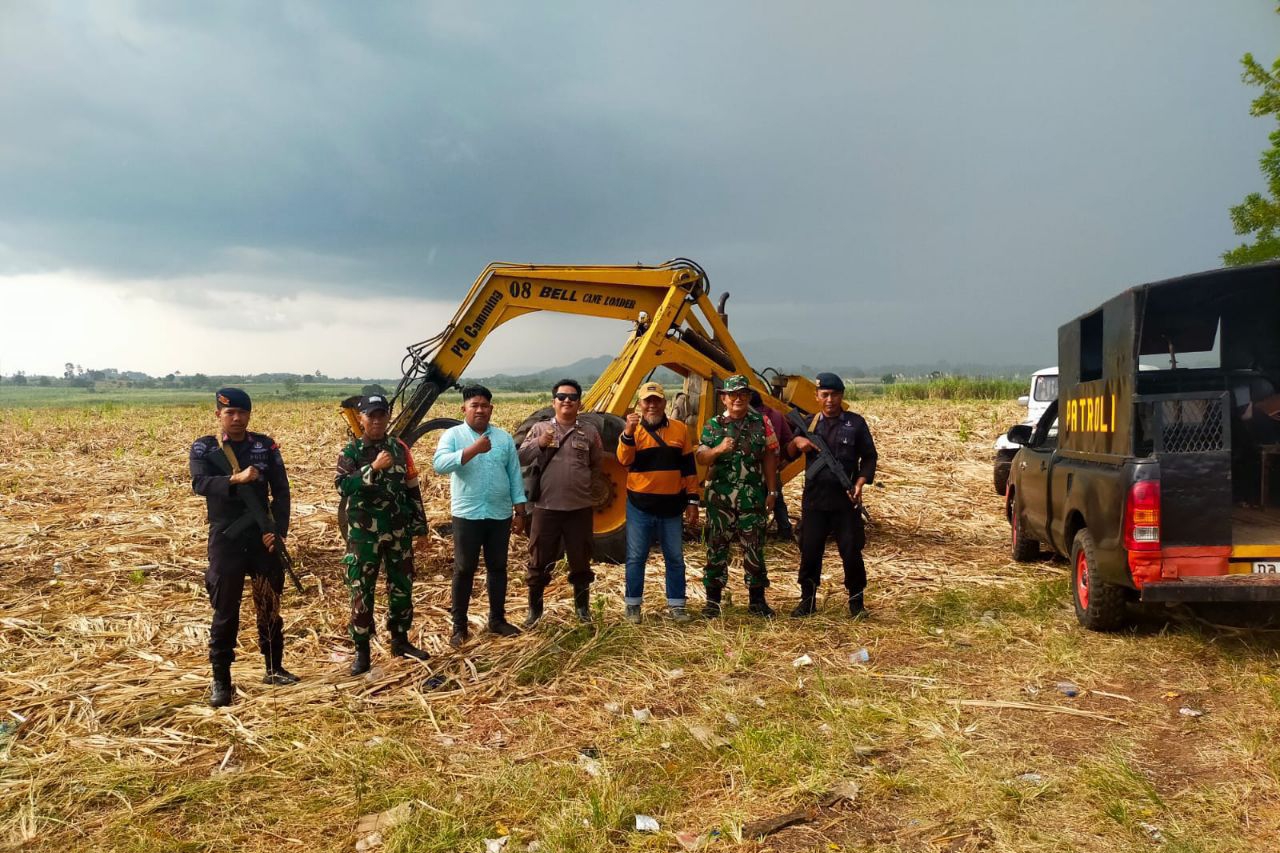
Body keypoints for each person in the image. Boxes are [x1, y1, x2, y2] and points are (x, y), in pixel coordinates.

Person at [189, 388, 297, 707]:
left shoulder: (265, 446)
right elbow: (199, 483)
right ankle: (221, 680)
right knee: (226, 609)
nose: (236, 419)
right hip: (226, 537)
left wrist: (277, 532)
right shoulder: (205, 447)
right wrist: (234, 480)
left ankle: (274, 668)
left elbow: (282, 492)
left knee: (269, 604)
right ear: (218, 415)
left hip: (261, 536)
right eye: (230, 413)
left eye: (242, 413)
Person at [335, 394, 430, 675]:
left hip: (398, 530)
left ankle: (400, 641)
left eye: (381, 415)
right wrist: (373, 468)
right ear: (361, 418)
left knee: (402, 586)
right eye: (371, 415)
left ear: (388, 417)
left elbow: (412, 487)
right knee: (361, 590)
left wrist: (421, 527)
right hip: (364, 536)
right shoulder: (351, 451)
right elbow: (342, 486)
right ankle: (362, 651)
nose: (377, 421)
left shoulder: (400, 448)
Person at [432, 385, 528, 647]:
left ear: (491, 409)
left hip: (499, 514)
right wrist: (473, 449)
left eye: (485, 405)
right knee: (464, 569)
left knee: (498, 567)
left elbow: (514, 475)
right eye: (474, 405)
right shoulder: (453, 435)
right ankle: (459, 627)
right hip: (467, 514)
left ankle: (497, 620)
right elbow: (439, 465)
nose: (480, 410)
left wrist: (520, 510)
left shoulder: (504, 438)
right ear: (463, 408)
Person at [785, 373, 878, 618]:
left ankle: (856, 603)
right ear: (816, 397)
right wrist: (798, 441)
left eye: (834, 395)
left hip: (845, 501)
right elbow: (788, 452)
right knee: (810, 551)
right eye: (824, 395)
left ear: (841, 396)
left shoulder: (855, 424)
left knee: (851, 551)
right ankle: (807, 601)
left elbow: (869, 457)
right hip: (815, 500)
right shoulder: (808, 424)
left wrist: (860, 482)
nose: (830, 400)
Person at [518, 379, 603, 625]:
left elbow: (596, 464)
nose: (567, 401)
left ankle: (582, 610)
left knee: (581, 560)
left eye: (572, 397)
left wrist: (583, 485)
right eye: (562, 397)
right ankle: (534, 612)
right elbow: (521, 457)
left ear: (580, 403)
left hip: (579, 509)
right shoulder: (540, 429)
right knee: (538, 560)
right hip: (546, 508)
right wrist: (539, 443)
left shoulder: (589, 432)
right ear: (553, 402)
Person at [695, 375, 780, 618]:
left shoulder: (762, 423)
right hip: (720, 500)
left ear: (749, 397)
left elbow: (770, 457)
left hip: (752, 497)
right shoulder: (713, 425)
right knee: (716, 548)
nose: (737, 399)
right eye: (732, 395)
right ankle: (713, 602)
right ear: (724, 398)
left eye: (742, 394)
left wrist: (772, 491)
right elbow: (701, 457)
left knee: (754, 548)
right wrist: (718, 449)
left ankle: (757, 601)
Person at [616, 381, 699, 624]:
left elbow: (689, 468)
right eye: (647, 401)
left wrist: (693, 500)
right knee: (635, 557)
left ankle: (677, 606)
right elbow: (623, 460)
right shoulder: (632, 431)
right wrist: (628, 432)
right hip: (639, 506)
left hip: (671, 507)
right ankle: (633, 606)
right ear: (640, 404)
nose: (652, 405)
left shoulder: (680, 429)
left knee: (675, 557)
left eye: (656, 400)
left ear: (664, 403)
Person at [750, 389, 795, 538]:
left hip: (753, 468)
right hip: (774, 465)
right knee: (777, 498)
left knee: (754, 500)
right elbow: (789, 440)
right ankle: (785, 530)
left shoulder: (751, 418)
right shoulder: (777, 415)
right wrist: (786, 461)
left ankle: (757, 532)